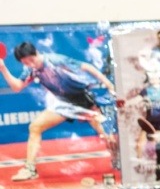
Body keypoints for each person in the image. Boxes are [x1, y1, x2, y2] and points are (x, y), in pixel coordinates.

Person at [0, 42, 117, 181]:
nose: (30, 64)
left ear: (36, 52)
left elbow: (87, 67)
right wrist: (3, 68)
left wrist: (109, 85)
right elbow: (17, 87)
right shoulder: (30, 70)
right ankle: (30, 169)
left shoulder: (56, 60)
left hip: (83, 100)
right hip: (63, 104)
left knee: (107, 135)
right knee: (35, 127)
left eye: (32, 60)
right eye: (25, 63)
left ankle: (118, 159)